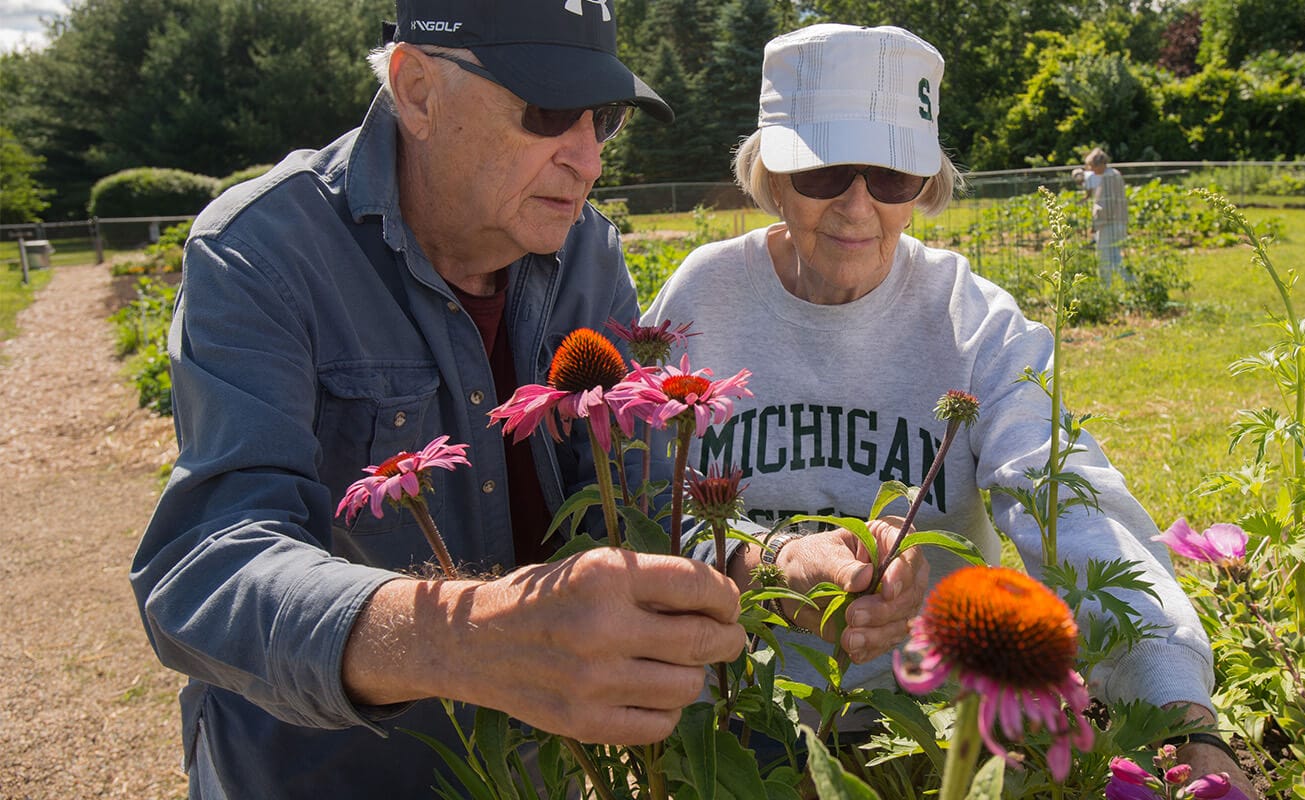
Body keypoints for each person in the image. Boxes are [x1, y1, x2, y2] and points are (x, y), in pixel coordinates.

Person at [128, 2, 921, 797]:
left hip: (542, 772)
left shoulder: (585, 253)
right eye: (545, 112)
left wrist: (777, 568)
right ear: (417, 91)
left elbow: (636, 498)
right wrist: (470, 639)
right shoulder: (263, 251)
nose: (588, 160)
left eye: (601, 117)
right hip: (331, 772)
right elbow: (204, 567)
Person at [639, 23, 1252, 794]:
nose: (858, 206)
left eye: (894, 176)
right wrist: (766, 567)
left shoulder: (975, 322)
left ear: (928, 183)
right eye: (825, 171)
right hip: (730, 721)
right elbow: (643, 507)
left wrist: (1177, 709)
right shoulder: (703, 297)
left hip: (926, 729)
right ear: (771, 172)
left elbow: (1070, 501)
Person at [1078, 146, 1130, 283]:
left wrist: (1096, 223)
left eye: (1092, 166)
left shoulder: (1107, 177)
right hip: (1119, 221)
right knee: (1115, 256)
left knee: (1104, 257)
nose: (1091, 170)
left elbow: (1104, 205)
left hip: (1108, 223)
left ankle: (1106, 287)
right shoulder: (1115, 174)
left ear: (1099, 164)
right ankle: (1131, 283)